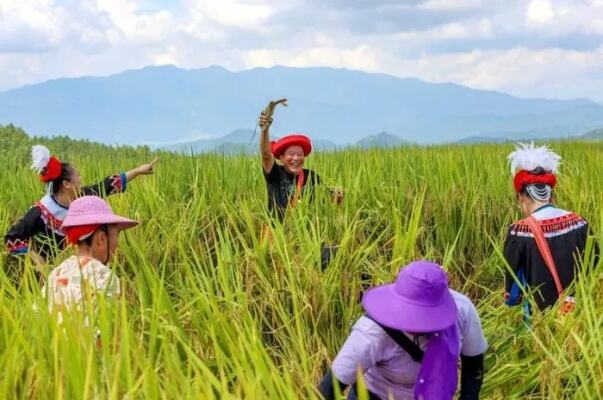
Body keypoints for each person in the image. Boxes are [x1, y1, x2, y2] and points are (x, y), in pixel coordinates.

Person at [319, 261, 488, 400]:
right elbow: (329, 388)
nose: (414, 323)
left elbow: (473, 364)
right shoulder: (371, 332)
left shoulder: (462, 311)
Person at [4, 144, 157, 264]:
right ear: (66, 184)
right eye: (76, 175)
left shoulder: (82, 196)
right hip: (48, 275)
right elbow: (13, 238)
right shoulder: (41, 212)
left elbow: (106, 186)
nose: (80, 177)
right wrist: (38, 262)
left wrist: (138, 171)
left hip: (79, 263)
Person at [503, 143, 598, 313]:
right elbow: (595, 270)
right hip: (581, 316)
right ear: (551, 194)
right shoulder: (579, 223)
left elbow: (513, 296)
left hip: (541, 323)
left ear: (521, 197)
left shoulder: (519, 232)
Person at [42, 196, 138, 322]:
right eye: (116, 235)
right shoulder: (105, 277)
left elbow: (36, 314)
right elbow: (103, 331)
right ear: (102, 239)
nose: (117, 244)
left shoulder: (56, 273)